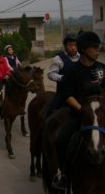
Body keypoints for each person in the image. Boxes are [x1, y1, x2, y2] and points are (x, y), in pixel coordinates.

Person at [52, 31, 105, 190]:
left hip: (101, 115)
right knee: (60, 141)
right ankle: (65, 175)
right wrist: (82, 110)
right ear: (83, 49)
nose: (98, 51)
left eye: (98, 48)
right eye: (94, 48)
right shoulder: (73, 71)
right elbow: (68, 96)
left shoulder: (103, 68)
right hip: (79, 115)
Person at [47, 33, 80, 116]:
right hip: (63, 92)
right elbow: (50, 74)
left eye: (75, 45)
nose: (73, 48)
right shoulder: (58, 59)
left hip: (80, 92)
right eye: (70, 45)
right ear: (65, 46)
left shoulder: (82, 58)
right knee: (50, 112)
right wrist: (63, 78)